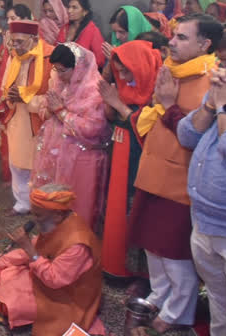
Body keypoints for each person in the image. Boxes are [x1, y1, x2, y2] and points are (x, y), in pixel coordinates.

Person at [128, 13, 223, 333]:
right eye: (173, 35)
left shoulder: (212, 81)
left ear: (204, 44)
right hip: (155, 170)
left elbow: (196, 136)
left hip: (181, 180)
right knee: (153, 247)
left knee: (174, 251)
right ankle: (160, 295)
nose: (171, 41)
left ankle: (177, 312)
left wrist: (169, 105)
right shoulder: (172, 70)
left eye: (182, 37)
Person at [0, 184, 104, 335]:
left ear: (57, 214)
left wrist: (30, 250)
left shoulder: (77, 245)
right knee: (10, 273)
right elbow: (41, 246)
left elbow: (54, 279)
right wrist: (3, 260)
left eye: (38, 215)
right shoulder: (58, 221)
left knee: (16, 302)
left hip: (69, 295)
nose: (34, 220)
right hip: (48, 276)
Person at [97, 41, 162, 277]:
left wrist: (118, 105)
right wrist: (111, 102)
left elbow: (151, 130)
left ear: (141, 66)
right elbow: (110, 115)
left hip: (139, 158)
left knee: (134, 209)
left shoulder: (157, 90)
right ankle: (116, 264)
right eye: (119, 71)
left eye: (127, 70)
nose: (123, 76)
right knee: (116, 204)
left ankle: (139, 273)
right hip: (120, 149)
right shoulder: (123, 86)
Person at [32, 43, 110, 228]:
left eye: (63, 70)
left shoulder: (94, 91)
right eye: (55, 69)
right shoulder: (60, 83)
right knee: (55, 199)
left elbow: (93, 128)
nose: (58, 75)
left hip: (82, 158)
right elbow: (45, 108)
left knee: (78, 203)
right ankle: (54, 237)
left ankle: (76, 246)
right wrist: (51, 110)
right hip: (57, 153)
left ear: (79, 67)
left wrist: (61, 112)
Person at [178, 66, 226, 336]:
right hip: (204, 218)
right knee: (218, 298)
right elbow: (186, 135)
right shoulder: (222, 93)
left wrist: (225, 108)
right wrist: (210, 104)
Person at [0, 20, 53, 214]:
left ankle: (42, 204)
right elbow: (5, 85)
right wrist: (9, 96)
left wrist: (27, 98)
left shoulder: (50, 57)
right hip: (17, 116)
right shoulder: (14, 56)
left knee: (41, 165)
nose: (15, 47)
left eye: (19, 42)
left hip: (41, 119)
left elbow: (55, 96)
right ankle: (22, 203)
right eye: (12, 42)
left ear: (34, 39)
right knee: (17, 163)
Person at [0, 3, 33, 182]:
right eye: (8, 18)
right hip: (4, 87)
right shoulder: (9, 36)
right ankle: (9, 173)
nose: (9, 21)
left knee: (22, 134)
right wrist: (5, 50)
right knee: (7, 130)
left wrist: (13, 50)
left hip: (23, 90)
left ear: (26, 19)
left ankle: (23, 177)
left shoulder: (33, 39)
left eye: (13, 18)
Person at [66, 0, 105, 68]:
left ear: (85, 12)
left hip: (85, 75)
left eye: (74, 7)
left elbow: (100, 60)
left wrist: (82, 66)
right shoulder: (65, 28)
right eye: (69, 7)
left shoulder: (92, 31)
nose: (69, 11)